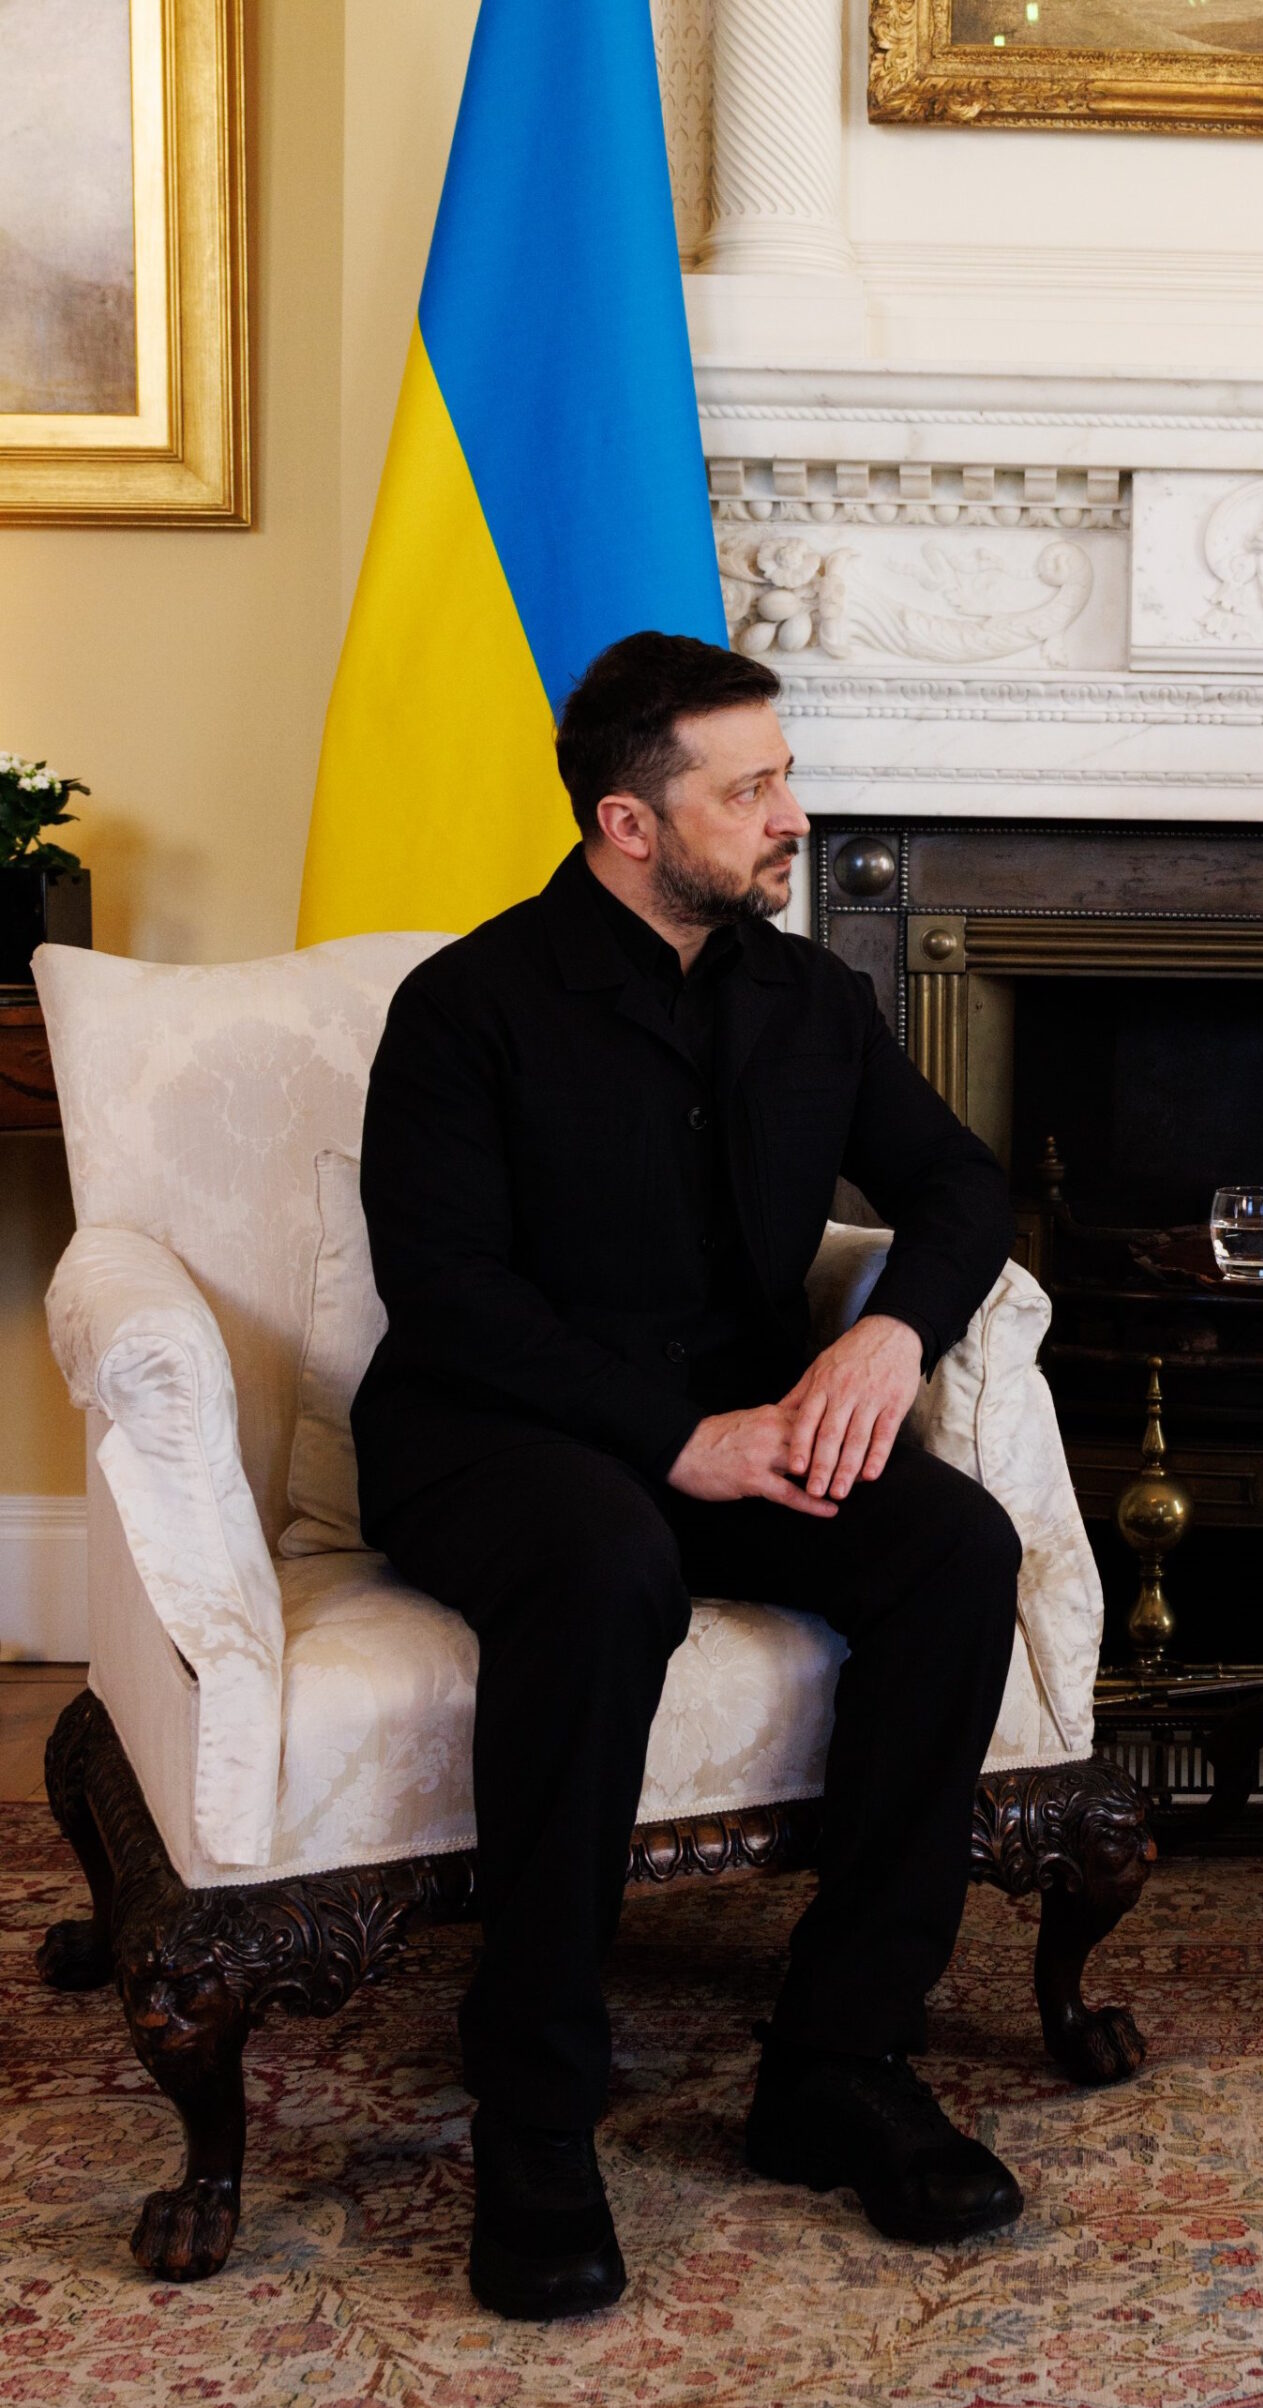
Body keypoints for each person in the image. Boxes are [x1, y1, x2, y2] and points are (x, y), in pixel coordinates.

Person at [355, 632, 1026, 2321]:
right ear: (630, 823)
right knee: (602, 1569)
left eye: (784, 774)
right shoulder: (467, 1007)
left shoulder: (812, 1002)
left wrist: (888, 1343)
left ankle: (838, 2058)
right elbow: (447, 1294)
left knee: (953, 1549)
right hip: (496, 1438)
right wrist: (677, 1443)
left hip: (740, 1425)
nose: (795, 814)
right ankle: (537, 2111)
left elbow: (960, 1187)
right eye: (753, 790)